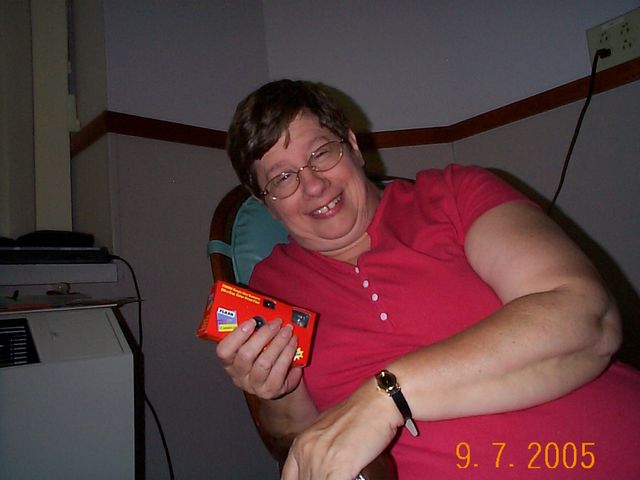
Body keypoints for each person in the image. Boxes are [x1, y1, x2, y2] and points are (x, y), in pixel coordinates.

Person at [216, 79, 640, 479]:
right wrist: (280, 390)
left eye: (321, 153)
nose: (312, 185)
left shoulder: (455, 194)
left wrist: (388, 397)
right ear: (266, 204)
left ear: (352, 146)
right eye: (282, 178)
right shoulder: (269, 286)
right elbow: (299, 441)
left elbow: (588, 317)